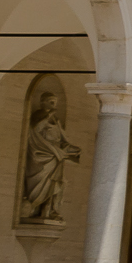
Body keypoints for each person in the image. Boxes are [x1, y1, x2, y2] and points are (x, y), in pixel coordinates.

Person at [18, 90, 79, 223]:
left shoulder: (56, 120)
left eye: (55, 102)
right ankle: (35, 208)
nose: (53, 105)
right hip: (41, 154)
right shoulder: (38, 115)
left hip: (55, 156)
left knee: (56, 183)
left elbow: (62, 139)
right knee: (40, 181)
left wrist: (73, 150)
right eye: (51, 101)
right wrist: (46, 117)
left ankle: (50, 211)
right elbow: (34, 130)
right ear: (42, 102)